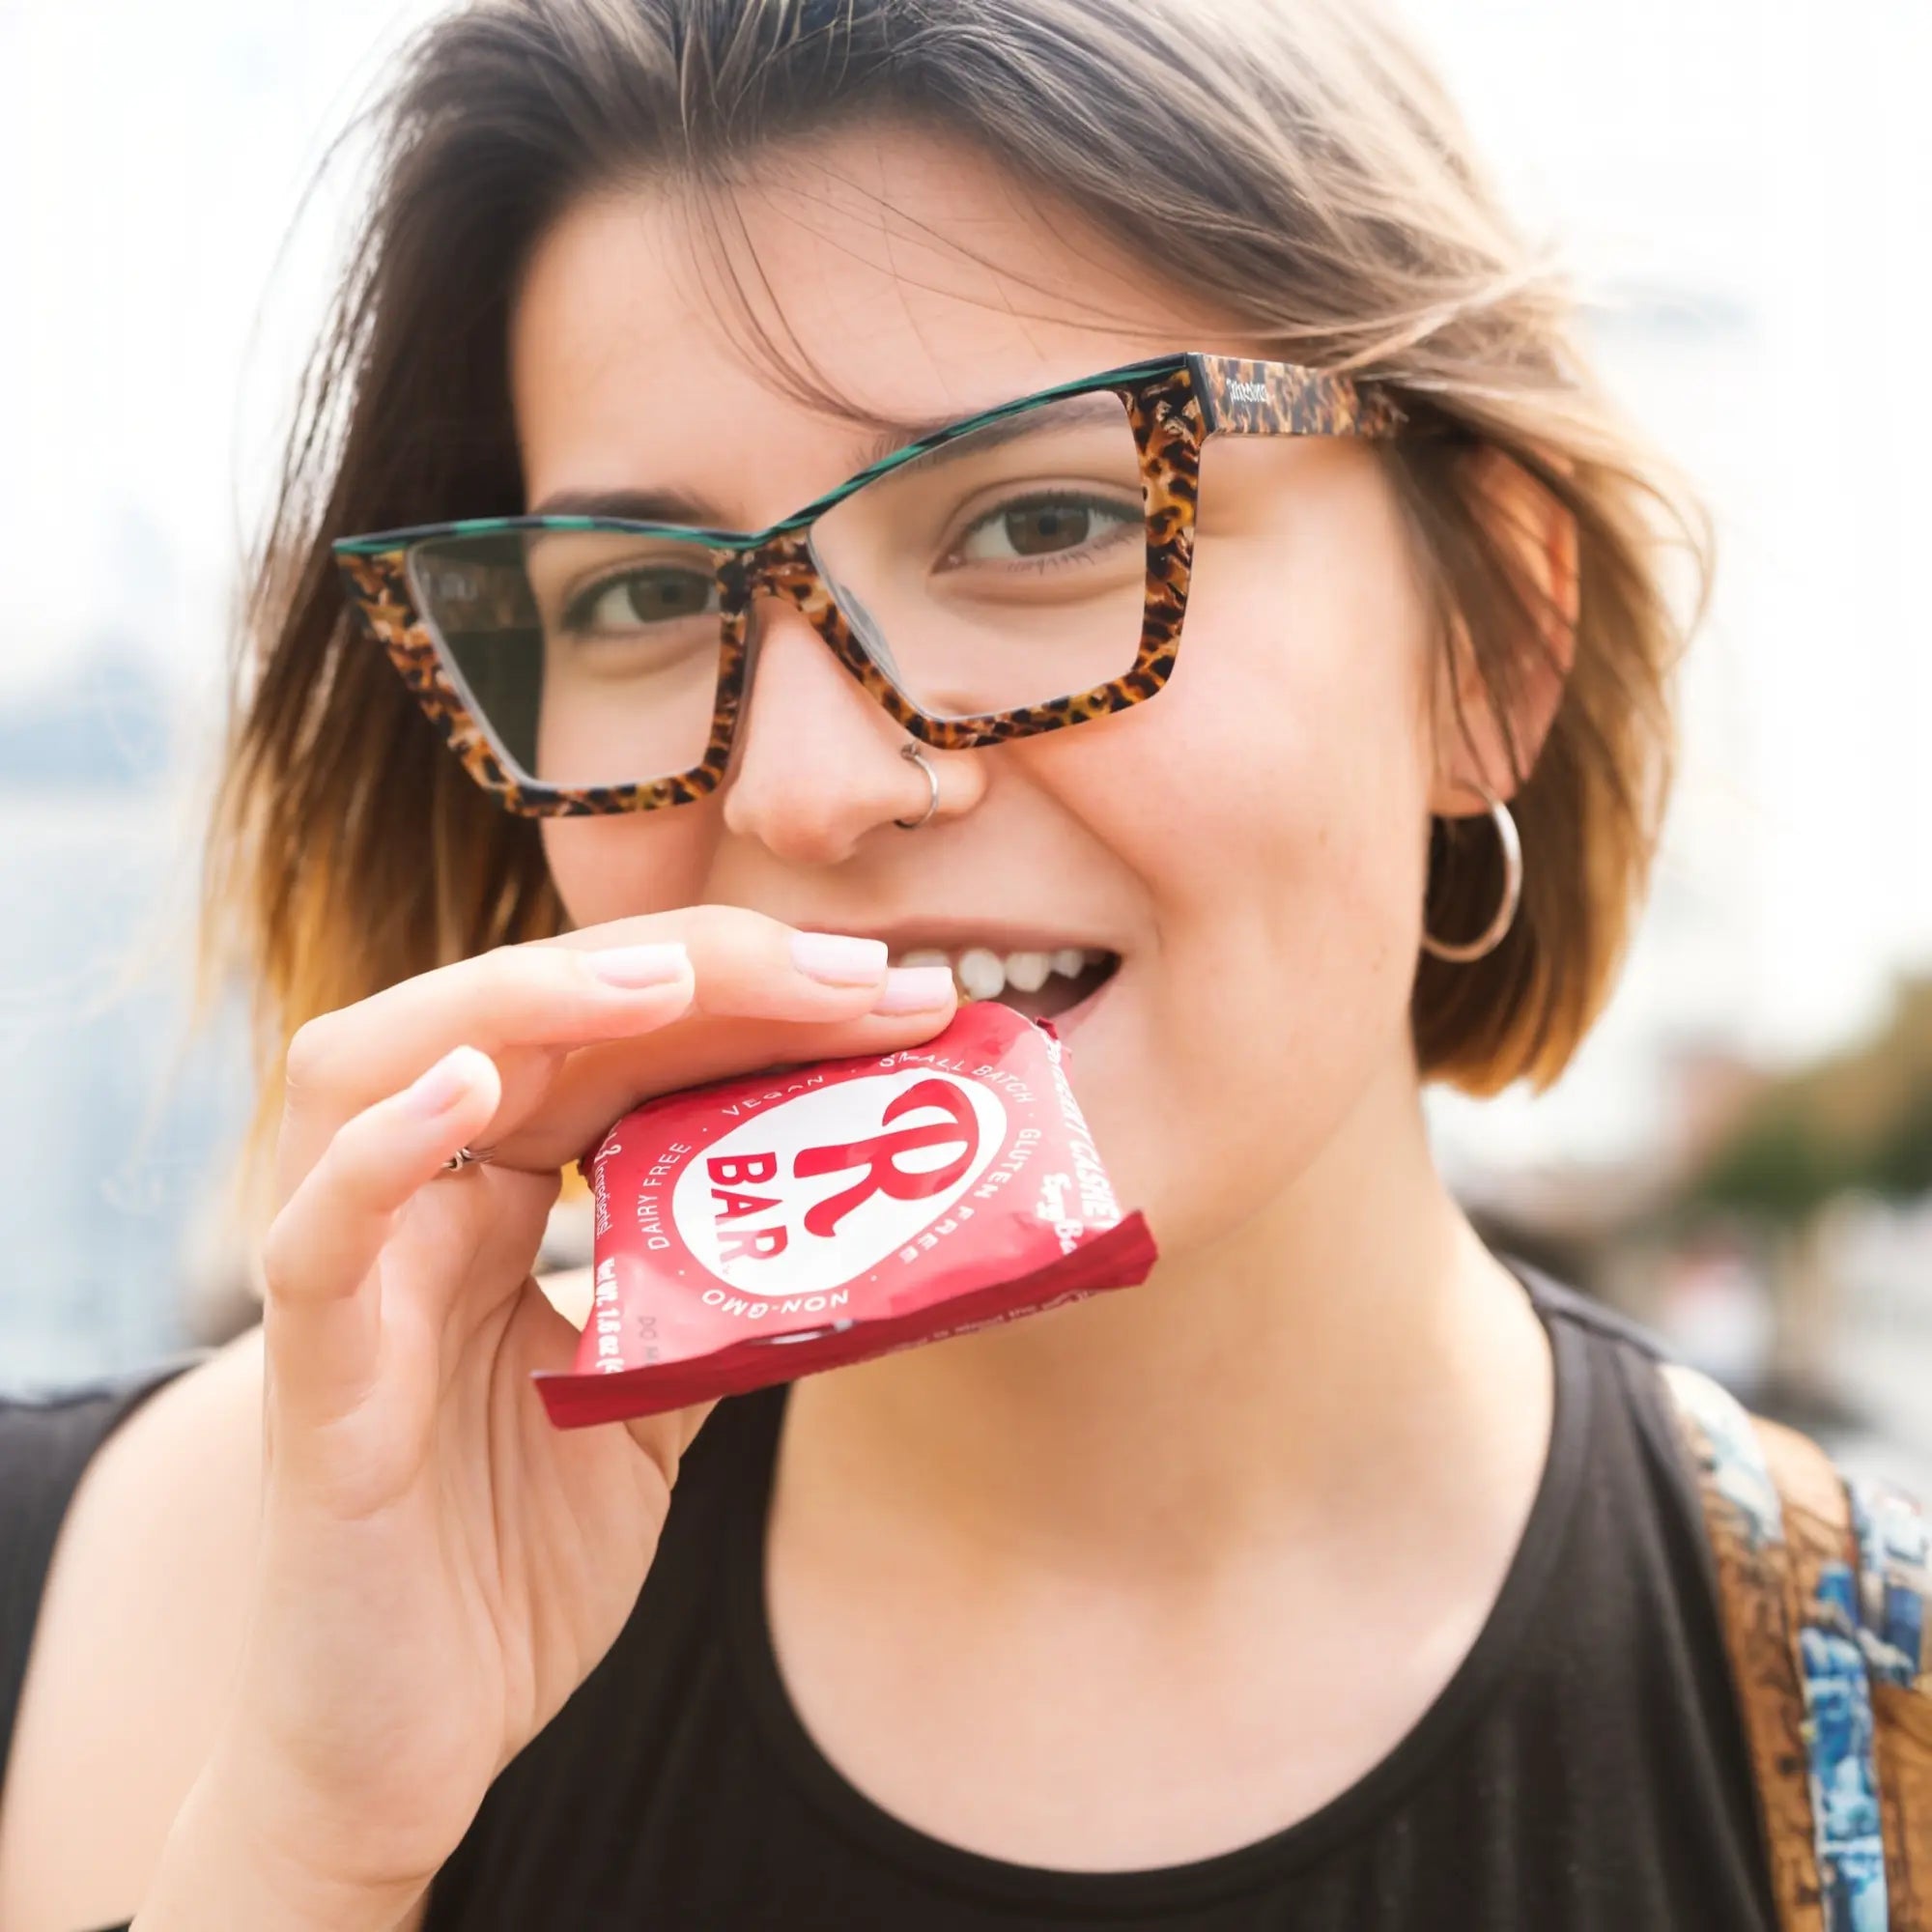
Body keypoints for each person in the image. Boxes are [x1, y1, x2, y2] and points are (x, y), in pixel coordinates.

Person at [0, 1, 1793, 1925]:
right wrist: (303, 1857)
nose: (806, 784)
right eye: (636, 592)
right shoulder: (141, 1598)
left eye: (1042, 518)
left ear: (1490, 651)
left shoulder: (1858, 1707)